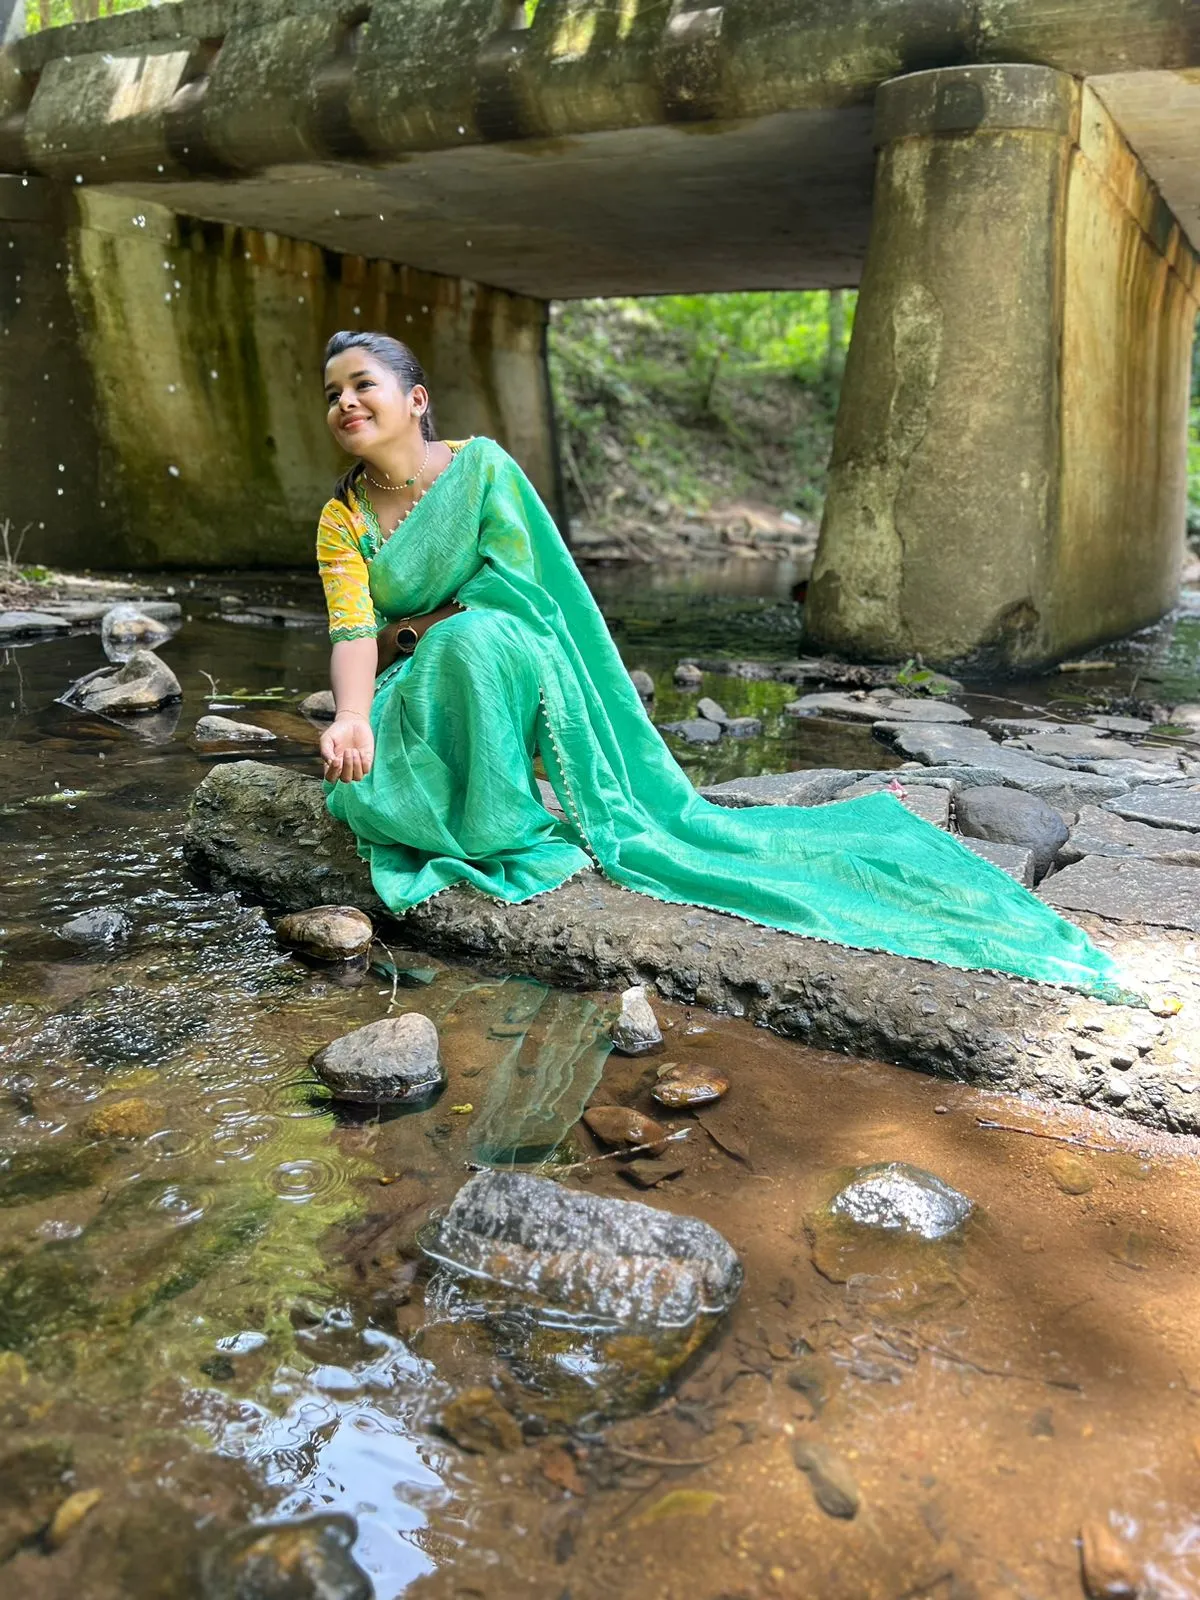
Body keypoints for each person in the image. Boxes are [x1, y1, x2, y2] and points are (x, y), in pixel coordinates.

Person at [316, 329, 1125, 998]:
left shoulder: (481, 469)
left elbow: (521, 590)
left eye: (362, 384)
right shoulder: (342, 517)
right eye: (331, 394)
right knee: (430, 688)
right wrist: (352, 716)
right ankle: (442, 805)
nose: (345, 402)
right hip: (415, 678)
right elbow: (355, 628)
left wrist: (431, 623)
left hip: (501, 654)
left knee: (479, 638)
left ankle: (496, 823)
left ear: (415, 399)